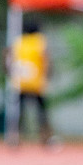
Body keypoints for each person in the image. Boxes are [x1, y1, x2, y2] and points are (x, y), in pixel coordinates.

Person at [11, 18, 56, 147]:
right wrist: (47, 76)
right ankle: (46, 138)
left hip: (21, 82)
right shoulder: (40, 41)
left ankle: (15, 138)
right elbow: (46, 59)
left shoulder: (19, 42)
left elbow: (9, 56)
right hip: (37, 83)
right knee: (41, 112)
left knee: (20, 112)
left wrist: (11, 73)